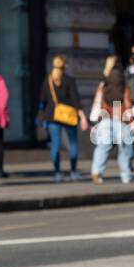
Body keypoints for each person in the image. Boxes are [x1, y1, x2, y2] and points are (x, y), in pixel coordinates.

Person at [38, 54, 88, 182]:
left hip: (52, 116)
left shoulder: (47, 80)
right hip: (69, 116)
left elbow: (42, 99)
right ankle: (73, 171)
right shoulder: (69, 80)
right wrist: (82, 117)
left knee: (55, 144)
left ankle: (57, 172)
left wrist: (41, 115)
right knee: (73, 143)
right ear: (64, 66)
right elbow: (76, 100)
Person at [90, 54, 134, 184]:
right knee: (124, 150)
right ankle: (126, 176)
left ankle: (96, 172)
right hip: (120, 119)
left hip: (105, 118)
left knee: (102, 147)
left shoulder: (104, 83)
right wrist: (131, 120)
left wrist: (94, 120)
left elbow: (98, 100)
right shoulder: (123, 81)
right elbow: (127, 102)